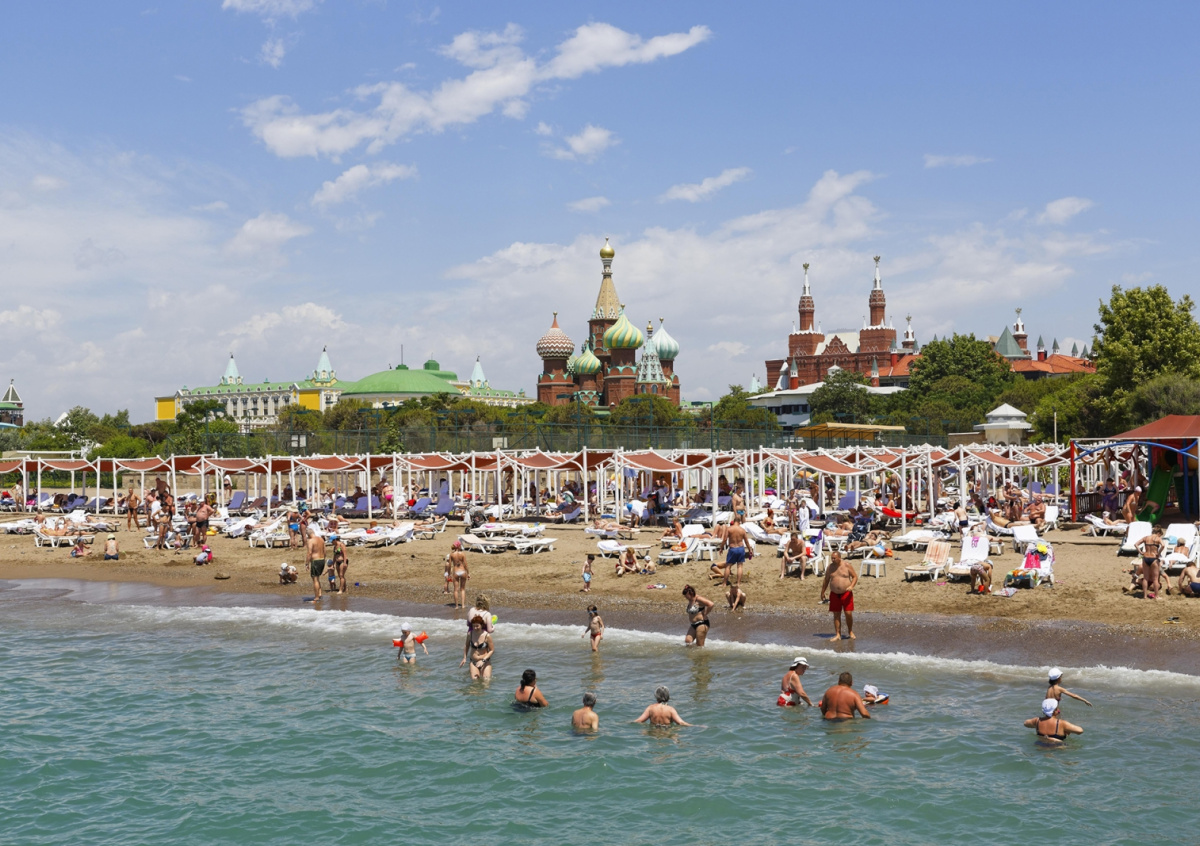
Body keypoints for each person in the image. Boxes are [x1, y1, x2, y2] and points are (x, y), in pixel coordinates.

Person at [820, 551, 858, 640]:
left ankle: (850, 631)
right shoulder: (830, 567)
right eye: (832, 558)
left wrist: (852, 586)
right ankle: (838, 634)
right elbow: (826, 580)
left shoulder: (846, 565)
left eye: (834, 558)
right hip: (834, 594)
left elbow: (855, 577)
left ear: (839, 558)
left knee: (848, 613)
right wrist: (822, 592)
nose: (832, 560)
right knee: (836, 614)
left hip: (846, 593)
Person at [1136, 527, 1164, 599]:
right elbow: (1163, 545)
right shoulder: (1158, 538)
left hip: (1145, 557)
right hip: (1154, 558)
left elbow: (1136, 544)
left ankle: (1145, 596)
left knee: (1145, 578)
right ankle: (1156, 596)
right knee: (1155, 579)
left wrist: (1140, 552)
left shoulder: (1146, 538)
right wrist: (1159, 553)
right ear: (1158, 533)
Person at [722, 516, 749, 588]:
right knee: (740, 566)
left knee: (728, 566)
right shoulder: (742, 530)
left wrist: (721, 548)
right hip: (740, 548)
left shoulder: (729, 529)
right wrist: (750, 550)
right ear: (739, 522)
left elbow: (724, 539)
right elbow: (746, 541)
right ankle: (738, 583)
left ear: (734, 521)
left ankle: (724, 583)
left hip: (733, 548)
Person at [305, 526, 327, 603]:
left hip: (315, 560)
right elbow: (325, 551)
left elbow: (309, 553)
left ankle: (316, 598)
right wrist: (323, 559)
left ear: (308, 535)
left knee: (315, 580)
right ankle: (319, 594)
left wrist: (307, 563)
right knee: (317, 579)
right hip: (322, 559)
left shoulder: (310, 541)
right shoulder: (321, 539)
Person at [449, 541, 468, 609]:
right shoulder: (462, 554)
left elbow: (450, 565)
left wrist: (449, 573)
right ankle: (463, 605)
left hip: (456, 571)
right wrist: (468, 573)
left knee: (455, 590)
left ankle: (456, 606)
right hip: (462, 571)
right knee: (462, 589)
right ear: (459, 546)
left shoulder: (451, 554)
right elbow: (465, 564)